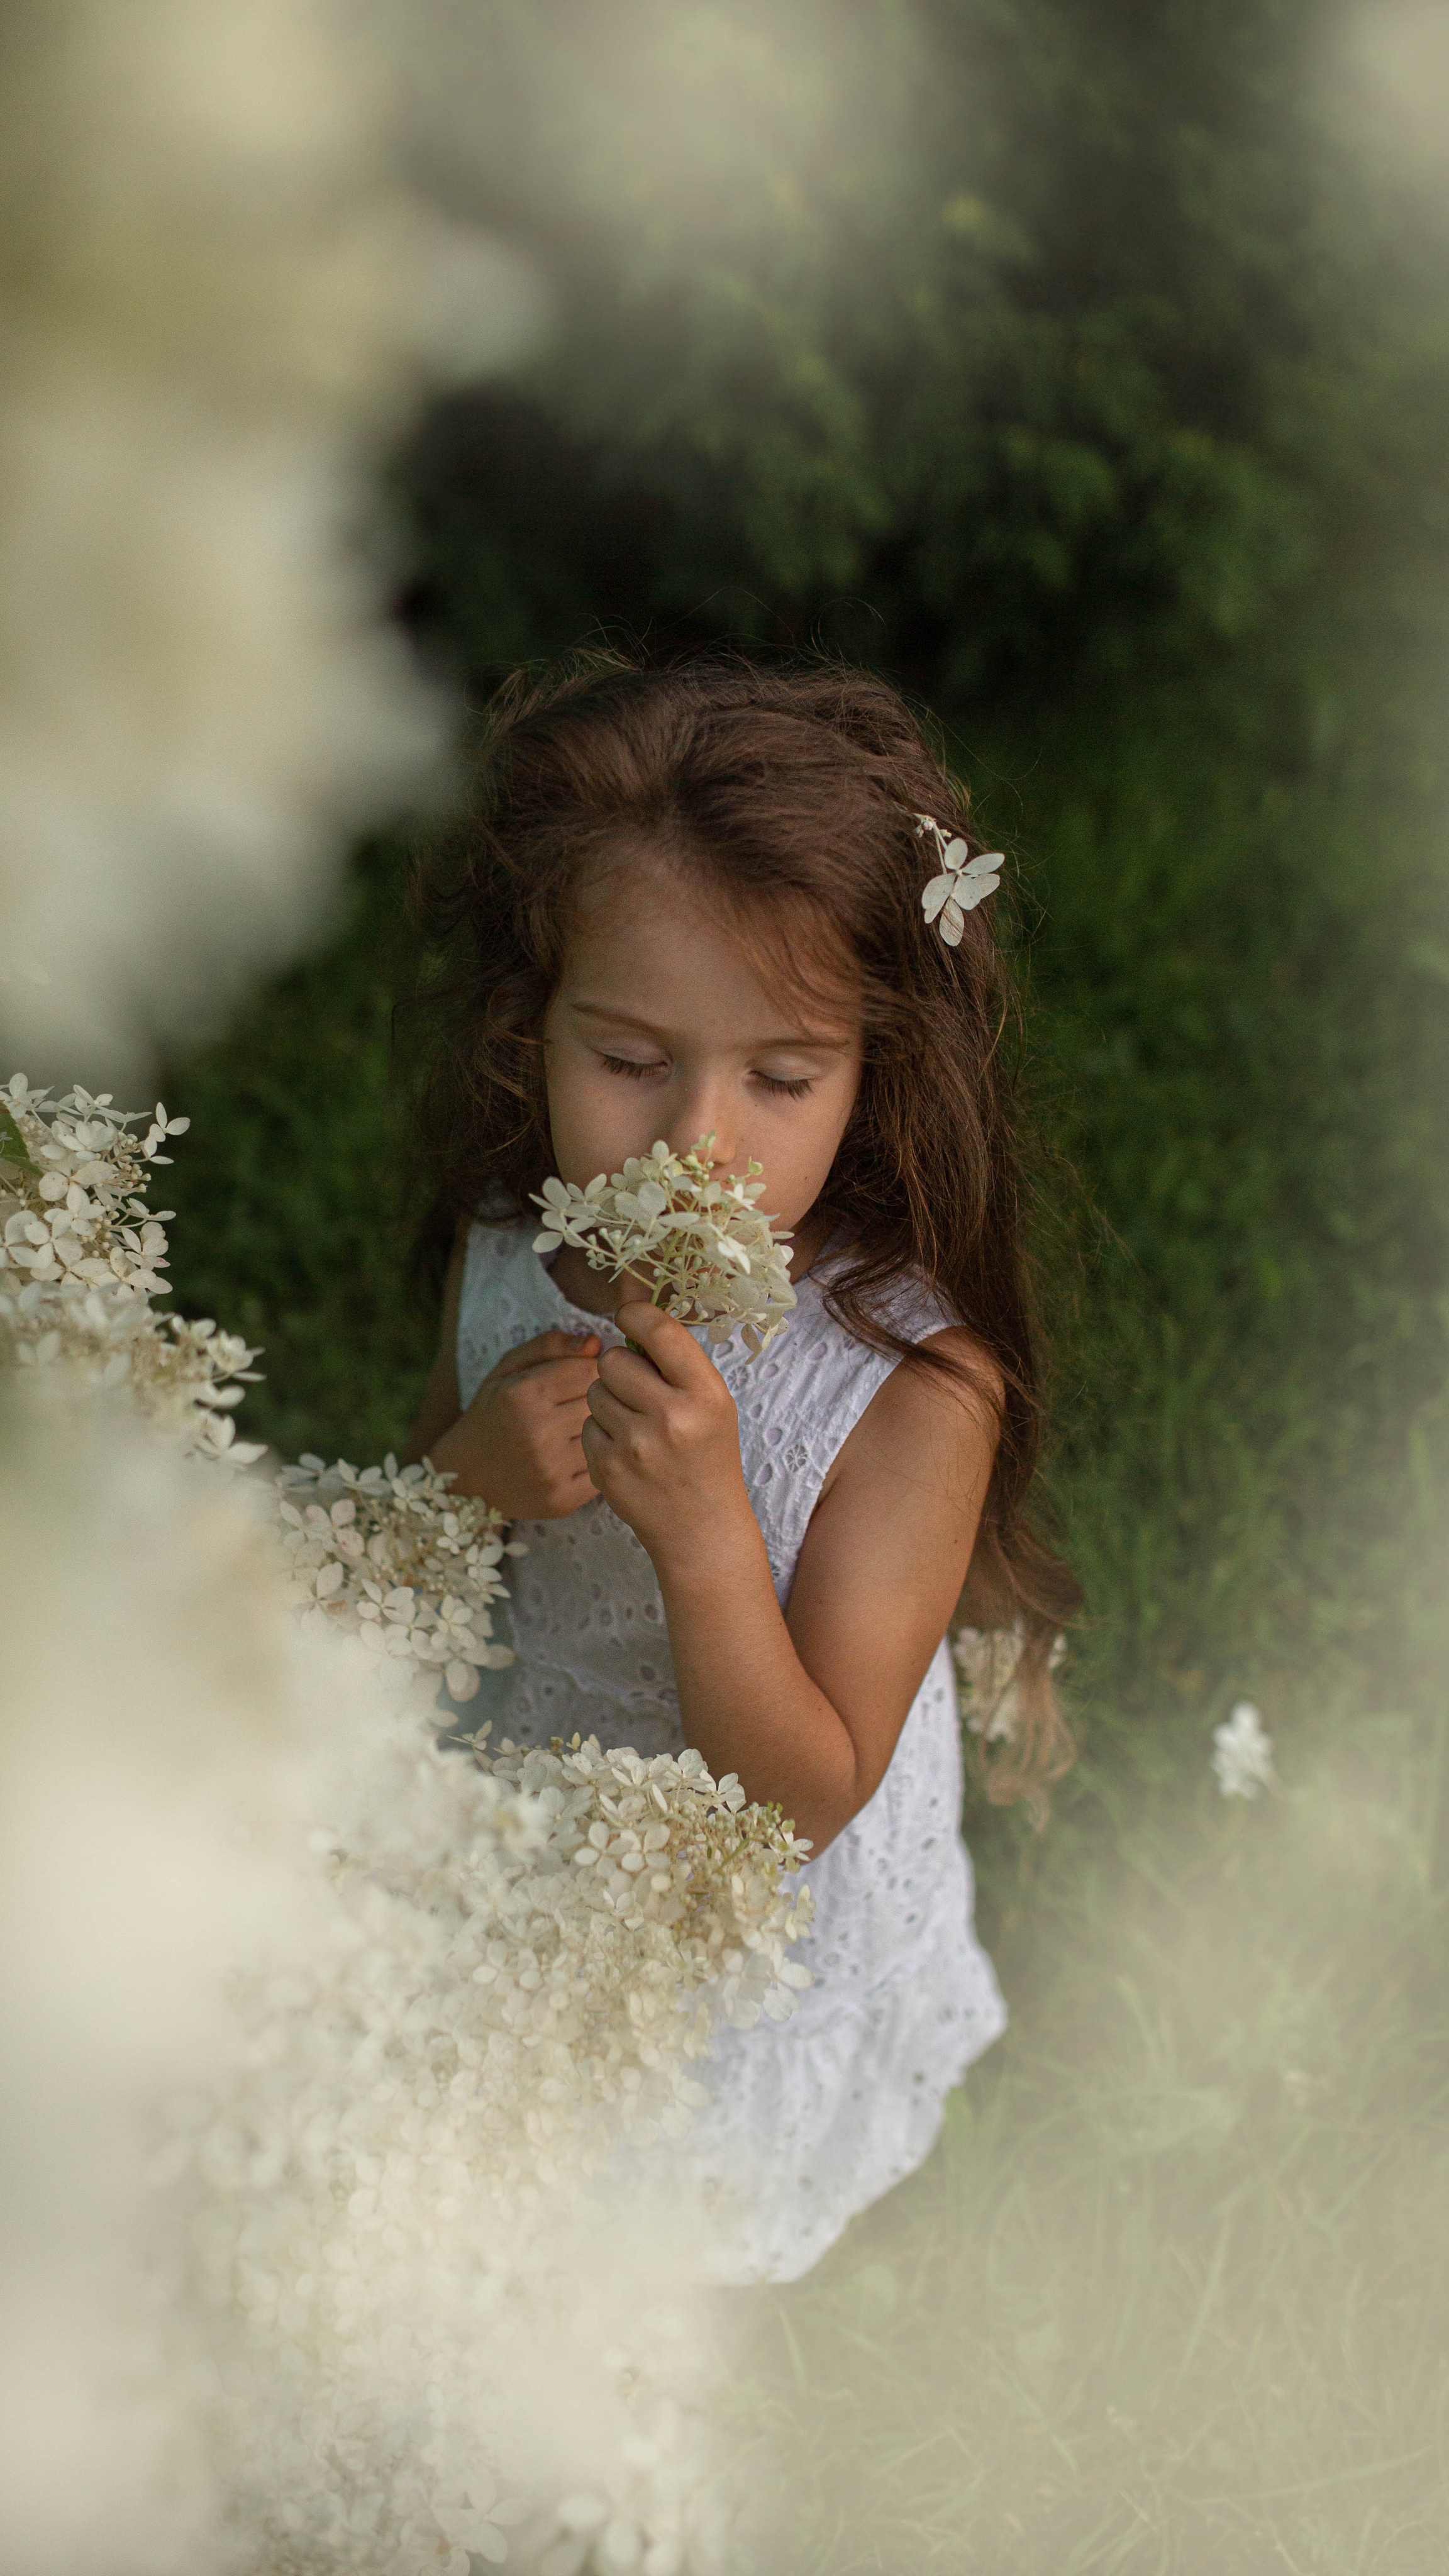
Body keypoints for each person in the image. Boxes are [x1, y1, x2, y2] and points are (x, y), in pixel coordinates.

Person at [402, 653, 1079, 2283]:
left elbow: (804, 1802)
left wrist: (710, 1537)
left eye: (780, 1079)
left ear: (872, 1069)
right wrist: (469, 1479)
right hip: (551, 1803)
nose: (697, 1147)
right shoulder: (512, 1251)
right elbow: (423, 1514)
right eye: (629, 1061)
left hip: (751, 1893)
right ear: (534, 1031)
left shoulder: (910, 1389)